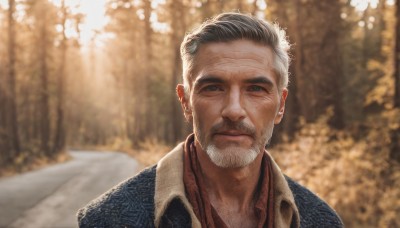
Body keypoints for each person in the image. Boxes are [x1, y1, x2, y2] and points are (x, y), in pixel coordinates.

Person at [77, 12, 343, 228]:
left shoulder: (321, 221)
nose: (234, 110)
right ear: (185, 101)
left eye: (255, 89)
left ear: (281, 105)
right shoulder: (107, 220)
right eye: (214, 88)